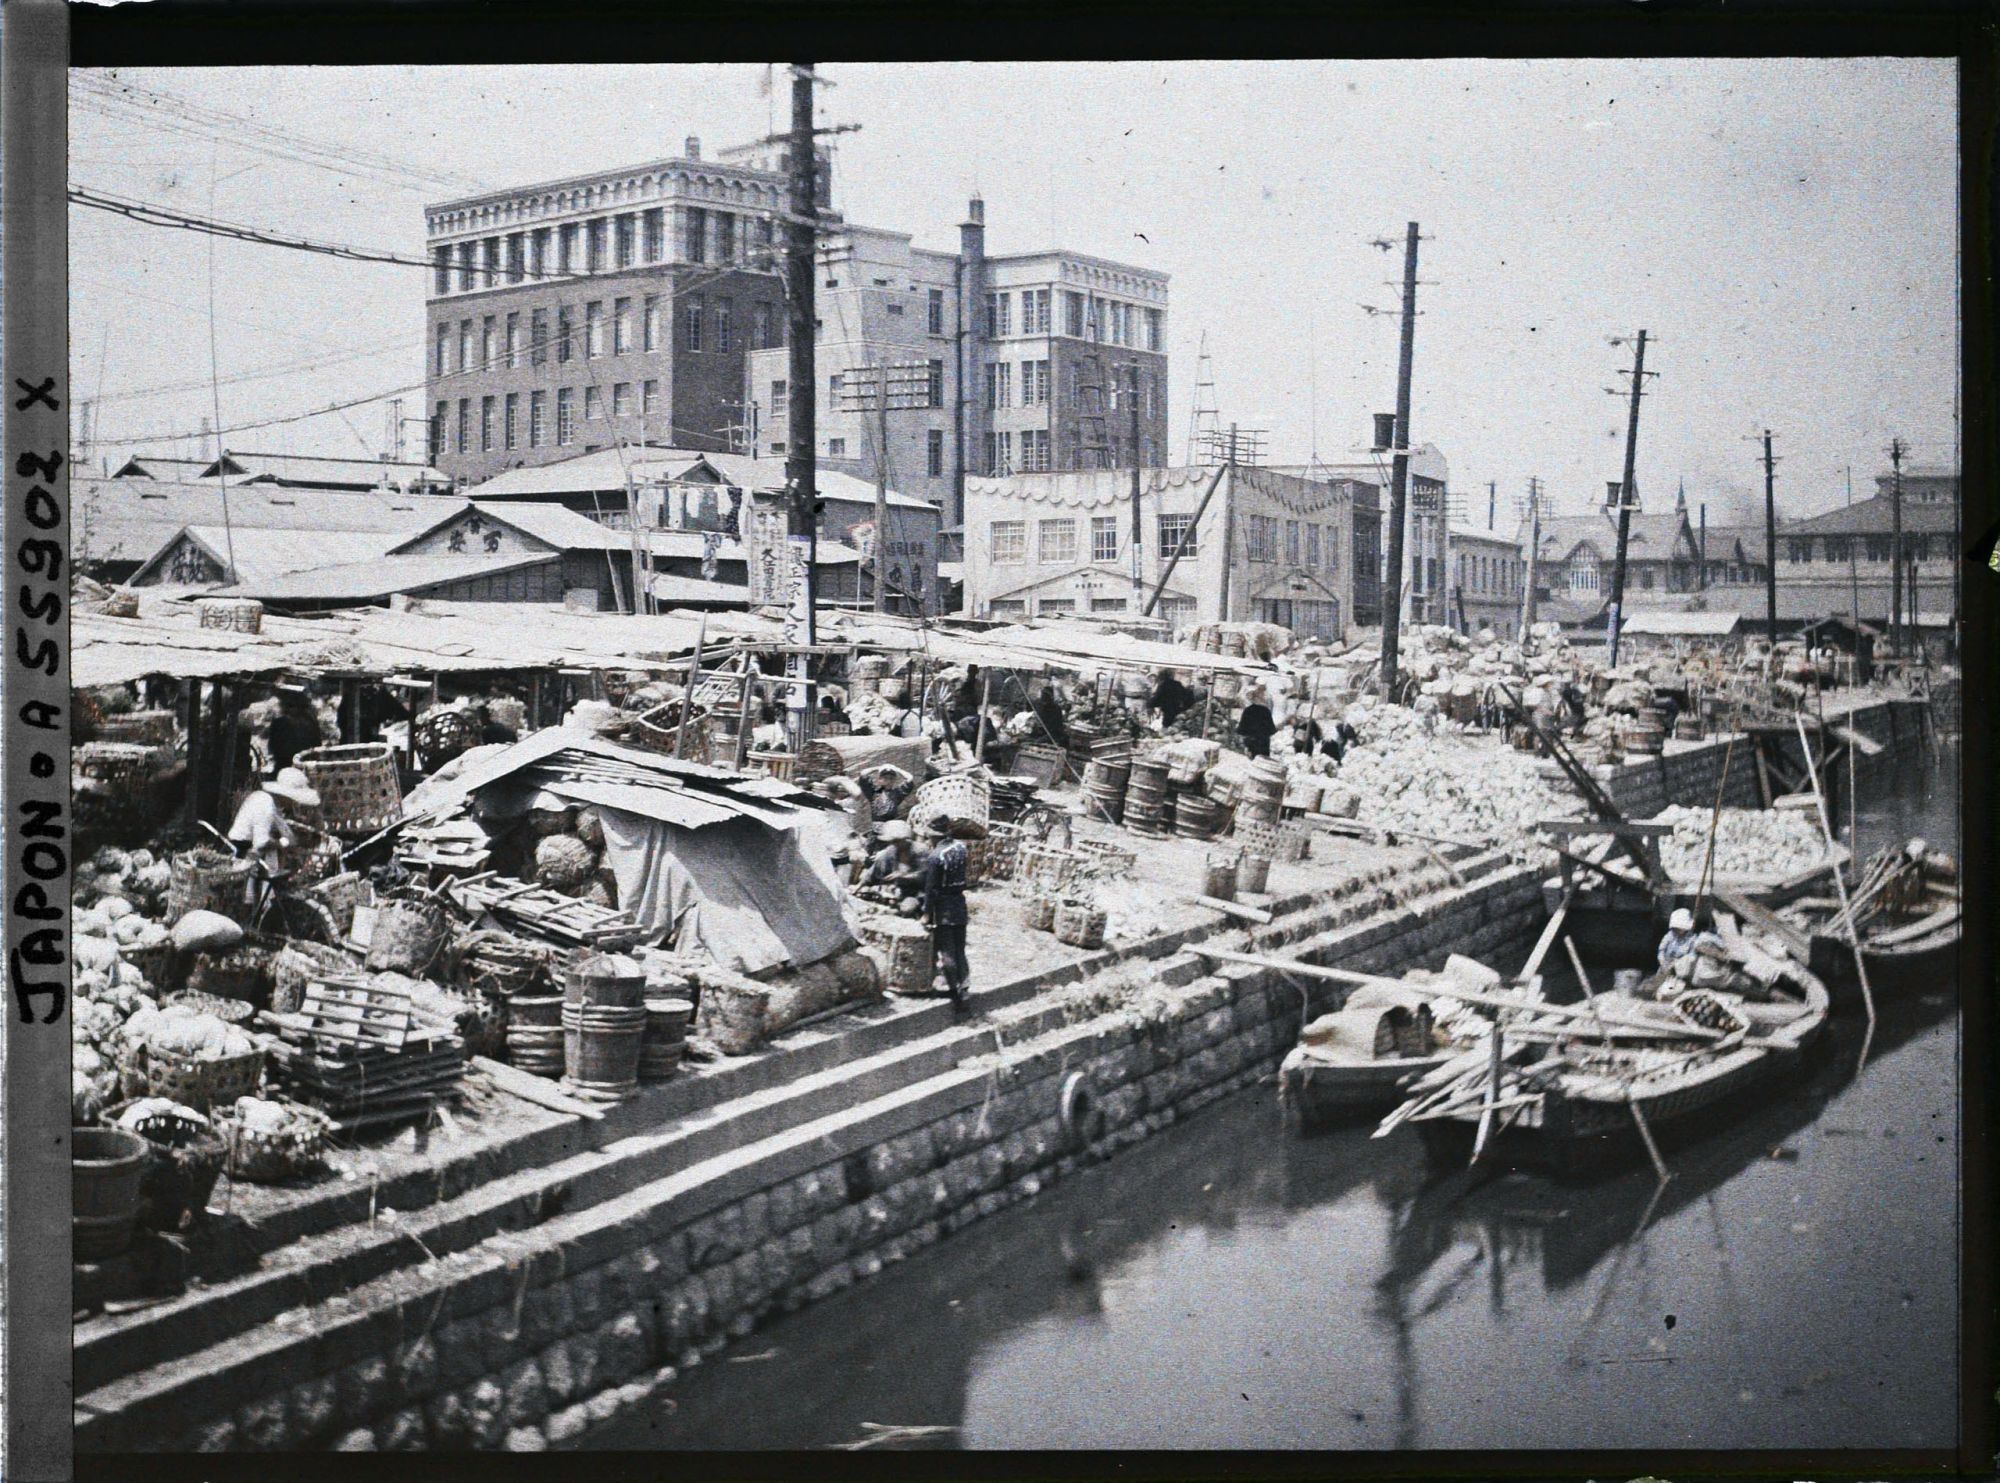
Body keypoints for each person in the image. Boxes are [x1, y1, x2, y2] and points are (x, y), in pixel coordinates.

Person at [226, 766, 321, 879]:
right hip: (242, 852)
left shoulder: (268, 800)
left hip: (250, 849)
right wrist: (283, 843)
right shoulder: (266, 805)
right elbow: (262, 842)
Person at [920, 816, 972, 1008]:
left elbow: (931, 888)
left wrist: (927, 913)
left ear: (933, 835)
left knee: (947, 952)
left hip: (944, 908)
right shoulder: (961, 848)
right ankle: (965, 987)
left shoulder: (935, 857)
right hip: (960, 903)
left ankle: (955, 992)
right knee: (960, 949)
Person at [859, 820, 929, 915]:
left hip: (917, 892)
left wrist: (904, 876)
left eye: (896, 841)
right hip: (897, 890)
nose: (894, 844)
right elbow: (873, 871)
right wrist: (859, 886)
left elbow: (925, 876)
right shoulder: (891, 850)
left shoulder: (921, 851)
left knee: (907, 908)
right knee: (864, 892)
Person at [266, 690, 325, 773]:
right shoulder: (310, 721)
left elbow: (273, 745)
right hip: (303, 764)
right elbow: (317, 744)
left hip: (286, 765)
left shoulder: (280, 722)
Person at [1656, 907, 1722, 973]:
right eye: (1675, 928)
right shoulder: (1670, 935)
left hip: (1680, 969)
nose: (1676, 931)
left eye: (1679, 928)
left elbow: (1691, 956)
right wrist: (1663, 962)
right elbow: (1661, 950)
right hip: (1665, 966)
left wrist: (1677, 964)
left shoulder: (1692, 939)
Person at [1236, 689, 1278, 758]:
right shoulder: (1266, 711)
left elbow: (1242, 728)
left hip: (1251, 742)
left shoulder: (1248, 710)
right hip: (1263, 743)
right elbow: (1271, 729)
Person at [1032, 682, 1069, 748]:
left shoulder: (1056, 709)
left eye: (1046, 699)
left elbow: (1056, 728)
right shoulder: (1037, 703)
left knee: (1037, 742)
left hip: (1052, 734)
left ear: (1050, 699)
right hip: (1038, 732)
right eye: (1043, 698)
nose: (1044, 703)